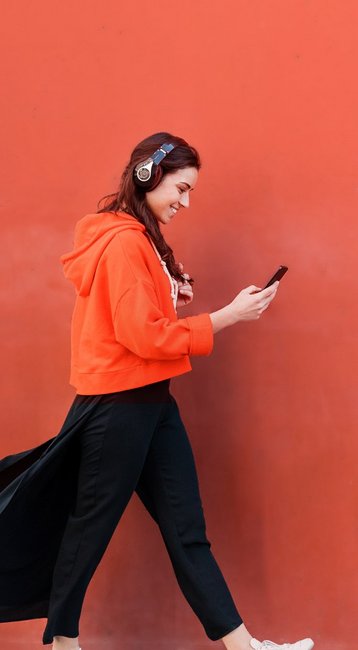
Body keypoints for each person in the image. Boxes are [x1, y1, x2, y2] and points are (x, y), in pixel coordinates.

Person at [0, 132, 314, 650]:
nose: (185, 203)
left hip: (151, 402)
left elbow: (142, 325)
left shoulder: (139, 240)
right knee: (87, 531)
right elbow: (142, 337)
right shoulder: (125, 242)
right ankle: (62, 644)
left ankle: (245, 648)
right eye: (181, 188)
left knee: (186, 529)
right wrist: (226, 317)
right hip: (118, 408)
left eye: (191, 193)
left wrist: (172, 294)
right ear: (149, 174)